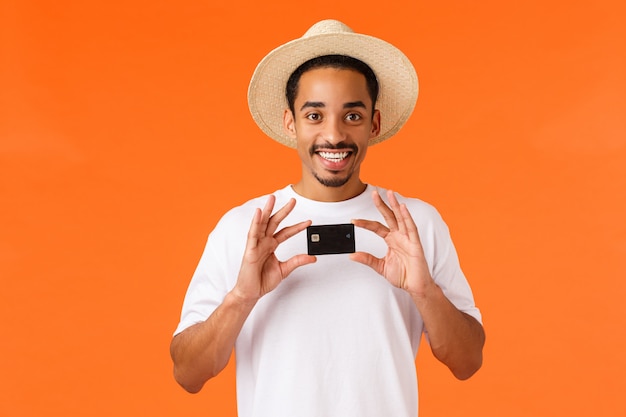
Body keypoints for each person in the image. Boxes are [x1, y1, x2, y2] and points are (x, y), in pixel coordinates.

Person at [170, 19, 485, 417]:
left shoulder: (414, 224)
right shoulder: (243, 229)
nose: (334, 135)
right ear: (291, 123)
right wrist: (241, 297)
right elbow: (187, 374)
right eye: (315, 115)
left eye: (352, 116)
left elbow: (468, 362)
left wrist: (424, 291)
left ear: (374, 123)